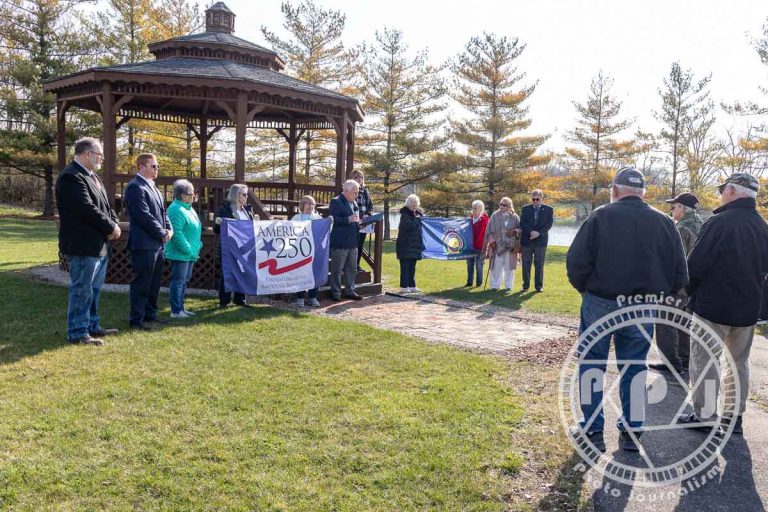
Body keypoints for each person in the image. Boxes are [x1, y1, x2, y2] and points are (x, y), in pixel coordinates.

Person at [566, 167, 687, 452]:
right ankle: (632, 429)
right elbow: (680, 273)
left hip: (601, 301)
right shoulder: (665, 223)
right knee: (634, 366)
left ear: (615, 190)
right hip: (641, 305)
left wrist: (586, 290)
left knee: (592, 363)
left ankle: (592, 426)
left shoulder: (601, 217)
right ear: (642, 192)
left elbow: (576, 262)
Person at [678, 173, 768, 435]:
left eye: (722, 190)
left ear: (731, 191)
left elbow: (694, 266)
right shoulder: (762, 227)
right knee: (737, 363)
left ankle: (704, 415)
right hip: (747, 307)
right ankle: (733, 416)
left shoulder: (718, 223)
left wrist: (688, 294)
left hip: (713, 306)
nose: (720, 194)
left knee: (706, 362)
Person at [55, 137, 121, 345]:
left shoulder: (93, 176)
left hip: (99, 244)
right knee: (82, 290)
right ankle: (77, 333)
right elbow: (86, 208)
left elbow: (106, 207)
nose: (101, 158)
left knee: (93, 289)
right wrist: (110, 227)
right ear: (87, 154)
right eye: (99, 154)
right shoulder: (71, 177)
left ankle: (92, 326)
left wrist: (114, 224)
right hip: (83, 245)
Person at [652, 192, 703, 375]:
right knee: (684, 322)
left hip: (677, 283)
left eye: (673, 207)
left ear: (682, 208)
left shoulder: (681, 228)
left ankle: (671, 362)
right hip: (693, 285)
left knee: (665, 321)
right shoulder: (701, 225)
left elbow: (674, 259)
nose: (671, 210)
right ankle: (684, 359)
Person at [124, 153, 173, 330]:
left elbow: (162, 213)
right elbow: (143, 215)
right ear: (141, 167)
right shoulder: (135, 187)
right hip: (143, 244)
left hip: (157, 244)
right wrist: (161, 232)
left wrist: (169, 229)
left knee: (154, 282)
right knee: (142, 283)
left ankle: (150, 314)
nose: (156, 169)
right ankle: (136, 320)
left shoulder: (153, 187)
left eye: (157, 166)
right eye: (153, 166)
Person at [165, 179, 202, 319]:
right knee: (178, 281)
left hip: (190, 253)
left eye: (194, 193)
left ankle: (180, 308)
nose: (193, 196)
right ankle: (175, 311)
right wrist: (188, 249)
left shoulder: (188, 207)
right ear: (181, 194)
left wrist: (198, 246)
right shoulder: (175, 209)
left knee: (184, 281)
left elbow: (195, 228)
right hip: (180, 253)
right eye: (190, 193)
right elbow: (177, 233)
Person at [214, 183, 254, 308]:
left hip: (245, 248)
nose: (246, 197)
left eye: (246, 194)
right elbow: (216, 229)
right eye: (244, 194)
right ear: (236, 195)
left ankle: (240, 299)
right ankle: (224, 301)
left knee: (243, 272)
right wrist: (218, 221)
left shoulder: (248, 210)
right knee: (228, 273)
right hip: (229, 247)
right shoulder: (225, 208)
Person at [329, 180, 363, 301]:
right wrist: (348, 219)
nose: (356, 195)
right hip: (340, 242)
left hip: (353, 241)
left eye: (357, 193)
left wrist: (359, 223)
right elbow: (333, 219)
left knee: (352, 268)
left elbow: (354, 218)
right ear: (346, 191)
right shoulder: (336, 201)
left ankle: (350, 290)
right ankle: (336, 293)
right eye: (355, 192)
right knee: (337, 270)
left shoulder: (353, 202)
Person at [520, 189, 553, 292]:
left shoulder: (549, 209)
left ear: (541, 198)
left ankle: (538, 286)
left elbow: (549, 224)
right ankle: (525, 286)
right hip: (527, 240)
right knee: (526, 264)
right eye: (533, 199)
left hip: (541, 241)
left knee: (539, 264)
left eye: (537, 199)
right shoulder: (525, 209)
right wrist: (531, 232)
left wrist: (538, 233)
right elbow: (522, 223)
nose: (535, 201)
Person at [484, 197, 520, 291]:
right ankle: (494, 286)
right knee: (496, 267)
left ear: (509, 206)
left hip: (510, 247)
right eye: (500, 204)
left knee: (509, 268)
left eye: (504, 205)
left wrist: (516, 231)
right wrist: (491, 240)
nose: (501, 206)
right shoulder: (494, 215)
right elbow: (488, 230)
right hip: (497, 246)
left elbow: (520, 229)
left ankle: (508, 286)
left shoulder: (515, 217)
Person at [292, 195, 322, 307]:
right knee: (300, 273)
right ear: (302, 205)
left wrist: (330, 223)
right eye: (308, 203)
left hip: (314, 250)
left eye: (312, 204)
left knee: (314, 274)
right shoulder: (296, 218)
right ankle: (300, 297)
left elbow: (325, 233)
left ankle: (313, 297)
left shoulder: (318, 219)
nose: (310, 206)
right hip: (300, 251)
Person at [396, 194, 425, 294]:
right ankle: (404, 286)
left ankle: (412, 285)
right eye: (413, 204)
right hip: (405, 245)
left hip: (414, 246)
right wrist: (417, 219)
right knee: (405, 267)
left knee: (412, 267)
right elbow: (410, 226)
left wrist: (420, 217)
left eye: (416, 204)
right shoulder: (405, 215)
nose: (414, 206)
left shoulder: (416, 214)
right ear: (408, 205)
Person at [351, 170, 374, 272]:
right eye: (357, 177)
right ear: (352, 178)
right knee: (353, 245)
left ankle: (357, 265)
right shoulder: (349, 190)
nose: (359, 179)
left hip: (364, 223)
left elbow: (370, 206)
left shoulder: (365, 191)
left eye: (361, 177)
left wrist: (368, 215)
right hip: (353, 222)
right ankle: (350, 266)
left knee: (360, 244)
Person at [465, 200, 489, 287]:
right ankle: (469, 282)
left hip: (480, 247)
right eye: (473, 208)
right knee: (469, 265)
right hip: (470, 246)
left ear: (481, 209)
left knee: (479, 266)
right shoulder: (469, 220)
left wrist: (486, 247)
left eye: (476, 208)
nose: (474, 210)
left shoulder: (485, 220)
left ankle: (479, 283)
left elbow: (487, 234)